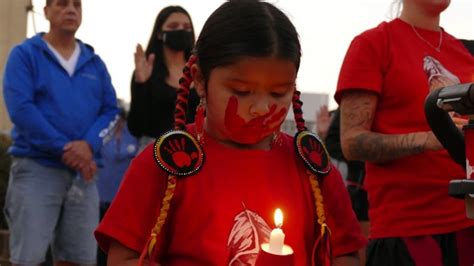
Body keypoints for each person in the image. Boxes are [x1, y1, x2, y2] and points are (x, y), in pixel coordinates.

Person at [95, 1, 366, 265]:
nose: (261, 108)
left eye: (278, 92)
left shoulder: (311, 167)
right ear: (200, 80)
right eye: (241, 91)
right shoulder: (167, 163)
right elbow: (124, 257)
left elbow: (347, 253)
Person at [335, 0, 474, 265]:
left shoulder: (465, 52)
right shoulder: (373, 44)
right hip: (407, 231)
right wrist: (431, 139)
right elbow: (351, 142)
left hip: (466, 223)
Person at [2, 0, 119, 265]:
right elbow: (21, 109)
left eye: (77, 5)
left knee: (79, 258)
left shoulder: (95, 63)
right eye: (61, 4)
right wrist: (64, 148)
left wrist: (89, 146)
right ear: (45, 11)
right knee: (27, 258)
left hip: (84, 177)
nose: (71, 10)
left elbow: (111, 111)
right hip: (36, 170)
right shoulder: (25, 55)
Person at [127, 5, 200, 151]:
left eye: (186, 26)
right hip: (155, 154)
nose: (180, 30)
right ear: (160, 33)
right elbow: (136, 128)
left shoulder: (200, 72)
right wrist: (142, 85)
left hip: (195, 153)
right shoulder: (146, 71)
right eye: (173, 26)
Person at [96, 100, 138, 266]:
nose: (117, 121)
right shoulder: (103, 135)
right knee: (99, 240)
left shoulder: (133, 135)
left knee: (117, 242)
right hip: (101, 194)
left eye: (119, 117)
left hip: (121, 198)